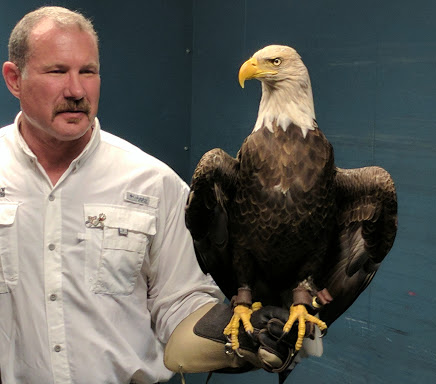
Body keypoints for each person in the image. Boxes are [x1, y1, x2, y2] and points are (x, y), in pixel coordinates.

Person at [0, 6, 301, 384]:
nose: (76, 90)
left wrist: (239, 336)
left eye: (88, 72)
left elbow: (180, 303)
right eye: (57, 71)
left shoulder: (153, 183)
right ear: (14, 79)